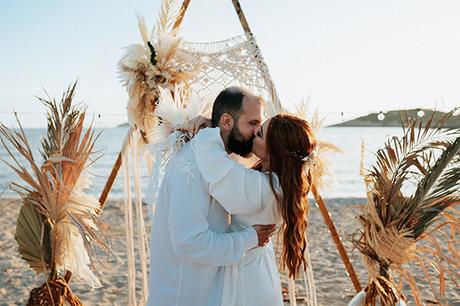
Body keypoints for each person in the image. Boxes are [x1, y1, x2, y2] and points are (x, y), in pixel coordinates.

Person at [147, 87, 276, 306]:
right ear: (227, 122)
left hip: (205, 290)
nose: (256, 132)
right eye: (252, 123)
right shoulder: (192, 165)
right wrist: (250, 238)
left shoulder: (216, 161)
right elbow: (189, 242)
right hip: (183, 295)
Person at [190, 113, 317, 306]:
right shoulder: (281, 185)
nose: (253, 132)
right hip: (256, 268)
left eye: (260, 133)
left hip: (246, 277)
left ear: (275, 150)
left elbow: (216, 168)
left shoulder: (264, 189)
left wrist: (209, 133)